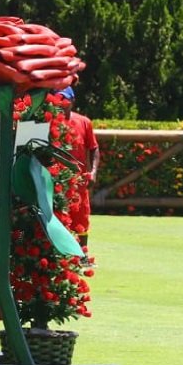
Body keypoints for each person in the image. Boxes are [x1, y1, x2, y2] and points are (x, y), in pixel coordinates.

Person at [57, 86, 99, 246]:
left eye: (65, 99)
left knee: (81, 217)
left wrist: (93, 171)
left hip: (78, 181)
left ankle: (83, 254)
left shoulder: (84, 122)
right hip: (56, 180)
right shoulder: (49, 121)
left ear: (72, 101)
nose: (61, 103)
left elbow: (94, 147)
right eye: (58, 99)